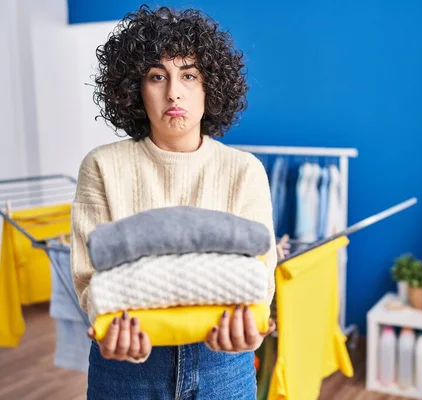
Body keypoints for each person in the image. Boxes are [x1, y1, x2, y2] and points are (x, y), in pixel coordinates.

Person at [70, 5, 277, 399]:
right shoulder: (101, 167)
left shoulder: (243, 171)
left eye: (189, 75)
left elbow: (260, 275)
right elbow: (87, 276)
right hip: (127, 368)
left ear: (209, 86)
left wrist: (249, 327)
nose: (174, 92)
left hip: (223, 367)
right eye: (157, 76)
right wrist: (106, 322)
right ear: (134, 88)